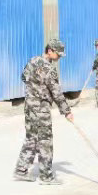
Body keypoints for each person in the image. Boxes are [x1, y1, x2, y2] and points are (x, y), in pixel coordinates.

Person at [14, 39, 74, 185]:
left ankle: (21, 170)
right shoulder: (49, 69)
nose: (59, 57)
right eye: (58, 54)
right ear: (50, 50)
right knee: (45, 141)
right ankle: (46, 176)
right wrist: (66, 111)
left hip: (29, 106)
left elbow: (24, 77)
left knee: (32, 138)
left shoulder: (33, 61)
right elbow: (56, 93)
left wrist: (34, 89)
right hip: (41, 109)